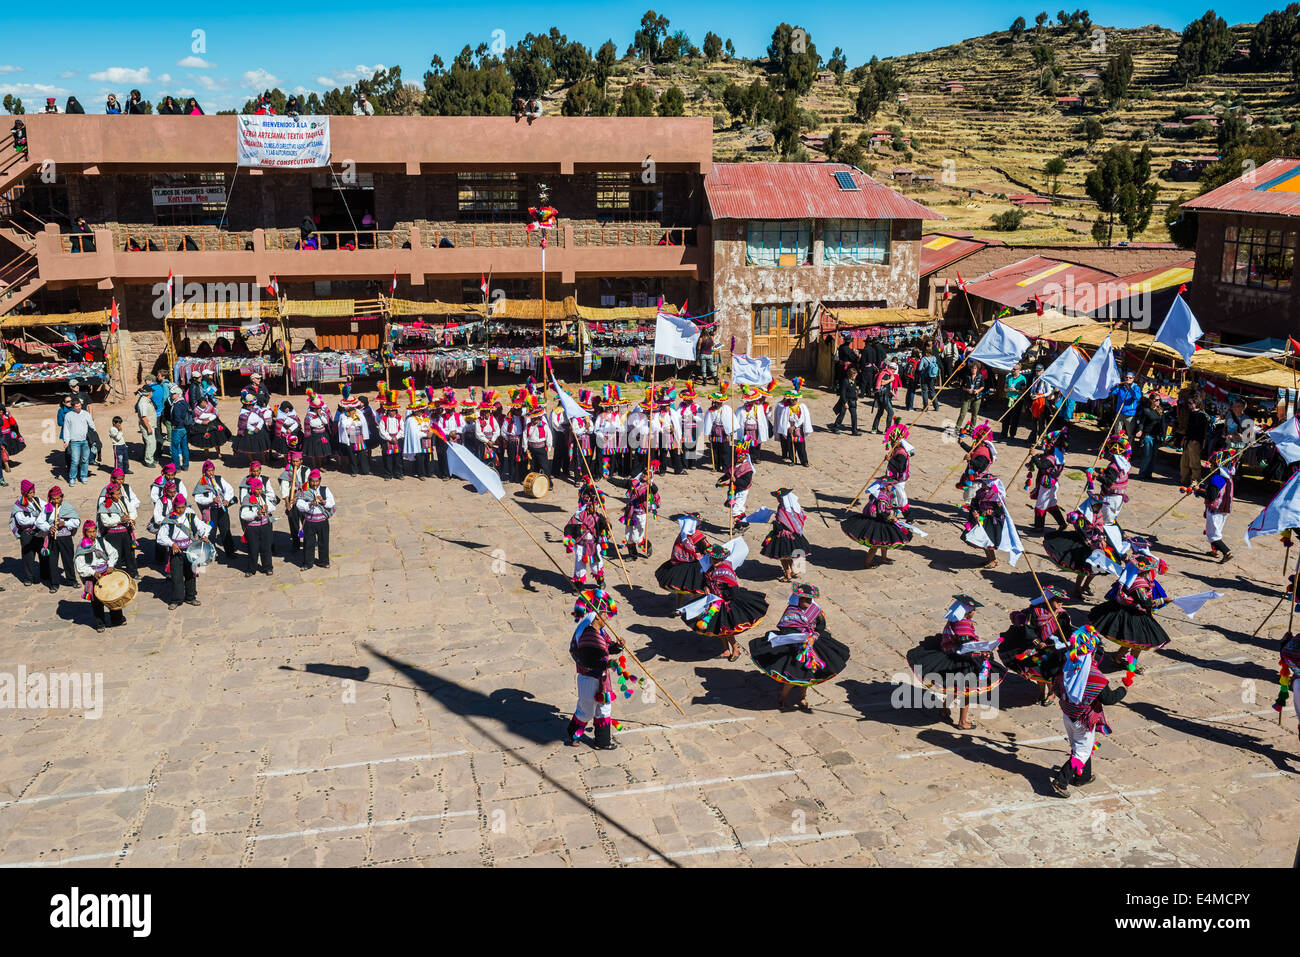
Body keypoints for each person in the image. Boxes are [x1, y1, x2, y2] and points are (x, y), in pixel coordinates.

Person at [906, 595, 1004, 730]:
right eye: (974, 609)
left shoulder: (954, 620)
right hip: (961, 661)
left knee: (953, 686)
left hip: (949, 656)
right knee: (967, 692)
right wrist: (982, 654)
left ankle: (944, 710)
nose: (975, 611)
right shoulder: (963, 625)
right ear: (968, 611)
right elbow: (966, 648)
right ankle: (962, 722)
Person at [1050, 623, 1127, 796]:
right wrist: (1124, 690)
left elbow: (1055, 686)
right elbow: (1109, 699)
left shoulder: (1067, 666)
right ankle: (1061, 781)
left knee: (1080, 747)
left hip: (1067, 714)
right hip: (1082, 720)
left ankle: (1082, 777)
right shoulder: (1094, 676)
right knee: (1082, 751)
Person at [749, 583, 851, 712]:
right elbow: (785, 629)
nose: (808, 602)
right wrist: (800, 637)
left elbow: (820, 625)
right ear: (798, 600)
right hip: (795, 649)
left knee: (809, 676)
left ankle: (802, 696)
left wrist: (814, 636)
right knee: (793, 678)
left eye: (809, 599)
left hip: (814, 646)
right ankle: (783, 697)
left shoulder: (815, 610)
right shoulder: (791, 612)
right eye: (805, 600)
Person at [679, 542, 770, 662]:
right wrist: (706, 587)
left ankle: (735, 649)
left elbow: (732, 589)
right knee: (719, 629)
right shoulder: (711, 568)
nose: (713, 560)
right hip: (714, 600)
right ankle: (726, 650)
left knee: (725, 629)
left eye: (716, 559)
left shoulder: (725, 570)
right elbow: (706, 581)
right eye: (712, 558)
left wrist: (726, 600)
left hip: (725, 602)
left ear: (721, 558)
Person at [1088, 547, 1171, 671]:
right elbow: (1146, 603)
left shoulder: (1131, 578)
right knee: (1138, 643)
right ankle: (1132, 665)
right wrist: (1163, 600)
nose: (1149, 572)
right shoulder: (1138, 584)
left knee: (1131, 641)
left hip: (1128, 612)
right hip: (1134, 615)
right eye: (1148, 570)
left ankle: (1117, 657)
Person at [564, 589, 627, 750]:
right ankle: (573, 735)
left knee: (604, 708)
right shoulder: (588, 636)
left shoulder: (601, 632)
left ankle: (602, 741)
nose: (607, 617)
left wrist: (617, 646)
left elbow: (607, 649)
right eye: (605, 614)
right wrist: (607, 665)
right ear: (597, 616)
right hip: (589, 678)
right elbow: (589, 660)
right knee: (586, 710)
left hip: (602, 679)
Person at [999, 588, 1071, 705]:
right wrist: (1037, 642)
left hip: (1053, 650)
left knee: (1050, 672)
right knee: (1038, 672)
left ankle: (1051, 693)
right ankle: (1041, 692)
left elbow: (1066, 631)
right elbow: (1029, 629)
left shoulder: (1063, 615)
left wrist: (1063, 642)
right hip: (1036, 648)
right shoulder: (1035, 612)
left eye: (1062, 601)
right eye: (1057, 600)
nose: (1060, 603)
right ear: (1048, 599)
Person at [1043, 503, 1114, 601]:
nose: (1099, 507)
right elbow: (1080, 531)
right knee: (1084, 569)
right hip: (1083, 543)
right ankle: (1077, 590)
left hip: (1097, 544)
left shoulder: (1099, 514)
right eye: (1097, 505)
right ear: (1091, 505)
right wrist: (1089, 543)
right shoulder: (1081, 516)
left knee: (1096, 568)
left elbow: (1101, 527)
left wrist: (1101, 538)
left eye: (1100, 505)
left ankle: (1086, 586)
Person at [156, 494, 210, 610]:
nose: (180, 510)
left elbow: (202, 526)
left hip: (191, 549)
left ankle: (190, 597)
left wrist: (204, 535)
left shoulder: (190, 516)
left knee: (191, 573)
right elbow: (161, 537)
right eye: (178, 507)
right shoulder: (169, 519)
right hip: (176, 551)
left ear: (185, 506)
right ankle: (176, 599)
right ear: (174, 507)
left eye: (182, 507)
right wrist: (172, 544)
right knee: (177, 576)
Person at [74, 520, 125, 632]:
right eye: (89, 532)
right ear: (84, 532)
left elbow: (113, 553)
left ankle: (117, 618)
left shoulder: (101, 542)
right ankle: (100, 623)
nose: (92, 534)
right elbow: (80, 566)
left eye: (94, 531)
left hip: (106, 572)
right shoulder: (82, 547)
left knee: (112, 595)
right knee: (96, 600)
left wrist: (110, 565)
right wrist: (93, 573)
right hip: (93, 575)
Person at [564, 480, 611, 588]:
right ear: (586, 506)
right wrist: (568, 538)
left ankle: (600, 581)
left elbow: (607, 528)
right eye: (590, 506)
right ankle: (578, 584)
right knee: (579, 566)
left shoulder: (599, 517)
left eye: (594, 506)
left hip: (594, 545)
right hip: (581, 545)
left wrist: (607, 524)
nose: (592, 508)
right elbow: (569, 527)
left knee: (596, 565)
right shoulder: (578, 516)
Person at [760, 488, 811, 582]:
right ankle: (795, 571)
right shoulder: (796, 508)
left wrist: (774, 522)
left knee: (783, 557)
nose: (778, 499)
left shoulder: (782, 508)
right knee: (790, 555)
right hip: (795, 536)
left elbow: (779, 524)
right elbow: (802, 518)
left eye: (779, 498)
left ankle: (788, 576)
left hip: (783, 537)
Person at [655, 512, 709, 599]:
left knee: (681, 590)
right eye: (699, 522)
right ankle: (692, 608)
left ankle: (678, 608)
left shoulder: (683, 534)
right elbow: (707, 549)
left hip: (679, 566)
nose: (701, 524)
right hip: (694, 567)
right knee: (697, 590)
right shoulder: (697, 536)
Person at [97, 471, 140, 578]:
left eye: (119, 493)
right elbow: (106, 521)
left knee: (129, 553)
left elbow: (132, 510)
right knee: (116, 554)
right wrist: (120, 520)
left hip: (125, 531)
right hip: (112, 534)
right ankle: (119, 575)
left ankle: (133, 573)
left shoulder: (123, 500)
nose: (119, 496)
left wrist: (131, 518)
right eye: (116, 494)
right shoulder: (104, 505)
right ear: (110, 495)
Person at [193, 460, 237, 561]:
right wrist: (211, 500)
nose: (211, 473)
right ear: (204, 472)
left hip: (222, 510)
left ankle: (230, 552)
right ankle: (211, 553)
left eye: (212, 470)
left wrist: (226, 499)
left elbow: (229, 489)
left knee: (225, 530)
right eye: (208, 471)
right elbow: (198, 498)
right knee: (211, 532)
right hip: (210, 512)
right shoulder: (201, 483)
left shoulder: (219, 479)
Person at [1026, 428, 1068, 532]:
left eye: (1049, 445)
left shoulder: (1051, 459)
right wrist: (1040, 455)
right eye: (1046, 445)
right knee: (1051, 505)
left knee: (1040, 505)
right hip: (1052, 484)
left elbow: (1041, 466)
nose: (1046, 446)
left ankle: (1039, 527)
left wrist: (1034, 456)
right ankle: (1062, 524)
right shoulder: (1057, 456)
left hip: (1047, 485)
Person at [38, 485, 79, 593]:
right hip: (52, 539)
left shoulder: (68, 507)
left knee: (68, 559)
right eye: (54, 498)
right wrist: (48, 527)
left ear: (62, 497)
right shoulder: (47, 508)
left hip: (65, 538)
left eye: (58, 498)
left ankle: (72, 580)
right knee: (52, 561)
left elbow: (76, 522)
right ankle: (54, 583)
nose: (56, 501)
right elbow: (39, 522)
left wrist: (65, 523)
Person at [961, 475, 1007, 569]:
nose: (982, 484)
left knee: (987, 541)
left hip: (992, 522)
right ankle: (990, 559)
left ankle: (993, 561)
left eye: (984, 483)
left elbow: (1001, 510)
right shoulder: (979, 492)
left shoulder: (996, 496)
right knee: (983, 540)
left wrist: (991, 512)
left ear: (989, 484)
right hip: (981, 519)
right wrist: (975, 513)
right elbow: (974, 504)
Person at [1199, 449, 1235, 563]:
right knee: (1215, 531)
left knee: (1213, 535)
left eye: (1212, 465)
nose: (1210, 467)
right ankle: (1214, 551)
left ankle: (1227, 552)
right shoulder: (1227, 477)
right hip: (1222, 509)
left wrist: (1197, 491)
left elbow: (1211, 495)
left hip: (1216, 510)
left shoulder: (1217, 478)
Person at [296, 469, 335, 570]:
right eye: (312, 481)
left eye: (317, 481)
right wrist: (310, 504)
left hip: (322, 521)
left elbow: (332, 503)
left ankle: (324, 561)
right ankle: (307, 563)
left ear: (320, 480)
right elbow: (299, 505)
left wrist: (323, 501)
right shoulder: (304, 491)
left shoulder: (325, 490)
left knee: (323, 542)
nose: (315, 483)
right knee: (308, 542)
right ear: (309, 481)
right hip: (309, 522)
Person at [239, 475, 277, 577]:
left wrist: (267, 508)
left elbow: (273, 508)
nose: (259, 491)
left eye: (260, 489)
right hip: (253, 528)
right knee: (253, 549)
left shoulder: (263, 497)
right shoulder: (247, 499)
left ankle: (268, 567)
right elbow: (244, 515)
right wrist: (257, 514)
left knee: (266, 548)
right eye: (257, 489)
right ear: (252, 489)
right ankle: (252, 569)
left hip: (265, 526)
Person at [617, 468, 659, 559]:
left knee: (636, 538)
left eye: (647, 474)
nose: (644, 475)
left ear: (650, 476)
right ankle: (633, 555)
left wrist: (649, 483)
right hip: (630, 512)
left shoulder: (650, 486)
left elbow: (655, 490)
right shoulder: (635, 483)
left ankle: (647, 545)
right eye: (644, 473)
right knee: (628, 536)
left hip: (640, 514)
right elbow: (622, 483)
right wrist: (608, 478)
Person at [10, 480, 43, 586]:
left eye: (33, 492)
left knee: (43, 553)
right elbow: (22, 521)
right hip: (27, 533)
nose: (33, 494)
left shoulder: (37, 500)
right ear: (24, 493)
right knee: (28, 555)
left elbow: (47, 508)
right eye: (30, 493)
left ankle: (45, 575)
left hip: (39, 531)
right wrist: (37, 518)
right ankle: (28, 578)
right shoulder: (19, 505)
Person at [1094, 433, 1132, 525]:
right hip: (1118, 498)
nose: (1107, 455)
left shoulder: (1113, 467)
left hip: (1111, 499)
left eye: (1108, 453)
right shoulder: (1123, 465)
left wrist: (1097, 475)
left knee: (1107, 522)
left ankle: (1106, 538)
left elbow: (1109, 482)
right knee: (1111, 519)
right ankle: (1120, 535)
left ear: (1113, 455)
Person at [278, 449, 310, 556]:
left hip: (304, 499)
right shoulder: (287, 473)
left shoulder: (307, 470)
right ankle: (296, 543)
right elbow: (284, 488)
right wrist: (287, 502)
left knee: (307, 522)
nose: (295, 463)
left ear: (301, 461)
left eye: (297, 461)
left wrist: (299, 496)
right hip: (292, 501)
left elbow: (308, 486)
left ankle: (309, 542)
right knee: (293, 523)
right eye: (293, 461)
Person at [718, 438, 755, 529]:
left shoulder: (747, 469)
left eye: (741, 456)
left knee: (735, 509)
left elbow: (746, 483)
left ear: (745, 456)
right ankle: (745, 524)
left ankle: (738, 526)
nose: (738, 457)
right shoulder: (735, 464)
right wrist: (722, 479)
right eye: (737, 455)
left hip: (742, 490)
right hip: (734, 489)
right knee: (738, 507)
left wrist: (735, 480)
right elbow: (729, 473)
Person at [957, 421, 997, 506]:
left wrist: (970, 459)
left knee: (972, 498)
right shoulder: (980, 447)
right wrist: (962, 443)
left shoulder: (984, 452)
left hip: (977, 481)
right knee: (969, 498)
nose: (976, 440)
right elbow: (972, 451)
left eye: (978, 439)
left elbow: (980, 465)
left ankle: (974, 516)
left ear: (982, 441)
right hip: (973, 478)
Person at [774, 379, 812, 467]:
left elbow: (802, 418)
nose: (792, 401)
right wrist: (788, 427)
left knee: (801, 445)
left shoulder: (801, 407)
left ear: (796, 399)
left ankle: (804, 461)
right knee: (791, 446)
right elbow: (784, 419)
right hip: (789, 430)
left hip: (798, 429)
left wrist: (795, 426)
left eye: (793, 400)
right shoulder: (786, 408)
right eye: (790, 400)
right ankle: (793, 460)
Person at [336, 385, 371, 476]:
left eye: (352, 408)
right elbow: (344, 425)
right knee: (351, 455)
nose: (351, 409)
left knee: (362, 453)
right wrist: (352, 419)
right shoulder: (343, 415)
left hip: (359, 435)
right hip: (349, 436)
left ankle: (365, 470)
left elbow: (362, 423)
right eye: (350, 408)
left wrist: (354, 423)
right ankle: (354, 471)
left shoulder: (359, 413)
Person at [61, 396, 95, 486]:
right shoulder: (69, 415)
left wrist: (94, 437)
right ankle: (72, 478)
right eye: (77, 406)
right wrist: (66, 441)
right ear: (73, 407)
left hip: (85, 441)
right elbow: (66, 429)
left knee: (85, 460)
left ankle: (83, 476)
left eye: (80, 405)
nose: (79, 407)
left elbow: (91, 424)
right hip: (74, 442)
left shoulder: (86, 414)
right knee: (75, 461)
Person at [830, 340, 861, 435]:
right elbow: (843, 393)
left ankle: (854, 430)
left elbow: (854, 389)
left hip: (853, 400)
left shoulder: (854, 381)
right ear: (851, 375)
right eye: (854, 375)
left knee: (854, 416)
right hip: (846, 400)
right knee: (842, 414)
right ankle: (836, 427)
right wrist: (844, 402)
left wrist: (856, 395)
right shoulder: (845, 381)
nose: (855, 377)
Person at [701, 386, 734, 472]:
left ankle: (726, 467)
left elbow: (729, 422)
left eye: (719, 402)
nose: (717, 404)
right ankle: (716, 466)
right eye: (716, 402)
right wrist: (709, 434)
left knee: (725, 450)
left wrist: (728, 434)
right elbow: (708, 422)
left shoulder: (727, 409)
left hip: (724, 432)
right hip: (714, 432)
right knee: (715, 450)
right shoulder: (710, 411)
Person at [1133, 392, 1164, 481]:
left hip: (1156, 436)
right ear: (1151, 400)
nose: (1158, 402)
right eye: (1156, 400)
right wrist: (1140, 430)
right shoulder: (1146, 410)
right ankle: (1141, 474)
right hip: (1147, 436)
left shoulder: (1160, 411)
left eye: (1159, 400)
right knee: (1147, 455)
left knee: (1153, 456)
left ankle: (1148, 474)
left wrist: (1163, 435)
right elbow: (1142, 423)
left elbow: (1162, 424)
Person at [375, 389, 405, 480]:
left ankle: (399, 473)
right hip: (387, 440)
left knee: (398, 458)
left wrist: (396, 437)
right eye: (390, 411)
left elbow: (402, 429)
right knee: (387, 458)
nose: (392, 412)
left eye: (394, 411)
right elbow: (382, 431)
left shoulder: (399, 418)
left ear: (396, 411)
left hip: (397, 439)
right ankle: (388, 474)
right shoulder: (383, 419)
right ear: (387, 411)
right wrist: (389, 438)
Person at [189, 392, 230, 458]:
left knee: (217, 439)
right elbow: (195, 419)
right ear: (199, 404)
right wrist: (202, 422)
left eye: (205, 402)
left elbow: (215, 413)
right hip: (202, 426)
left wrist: (209, 420)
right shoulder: (196, 410)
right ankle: (207, 455)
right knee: (205, 441)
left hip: (212, 423)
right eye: (202, 403)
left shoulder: (210, 406)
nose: (204, 404)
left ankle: (218, 453)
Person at [883, 423, 913, 513]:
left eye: (892, 442)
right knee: (895, 496)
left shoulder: (901, 453)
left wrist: (890, 460)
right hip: (894, 477)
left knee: (901, 497)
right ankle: (894, 512)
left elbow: (900, 467)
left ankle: (908, 515)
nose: (891, 444)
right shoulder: (897, 450)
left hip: (899, 478)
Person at [301, 390, 332, 473]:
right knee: (314, 453)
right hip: (314, 436)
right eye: (317, 408)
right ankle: (315, 466)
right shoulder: (309, 415)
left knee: (320, 452)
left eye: (319, 408)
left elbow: (325, 422)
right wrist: (320, 422)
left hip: (322, 434)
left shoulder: (322, 413)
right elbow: (313, 424)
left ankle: (320, 466)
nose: (319, 409)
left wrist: (320, 416)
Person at [1181, 394, 1209, 485]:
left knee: (1194, 463)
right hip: (1188, 441)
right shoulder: (1191, 414)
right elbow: (1188, 429)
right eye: (1188, 403)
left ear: (1196, 403)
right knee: (1184, 462)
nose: (1188, 405)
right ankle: (1184, 479)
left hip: (1195, 442)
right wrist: (1184, 438)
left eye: (1190, 403)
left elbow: (1204, 431)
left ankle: (1195, 480)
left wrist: (1199, 441)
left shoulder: (1202, 415)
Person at [954, 360, 986, 435]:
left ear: (977, 369)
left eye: (975, 368)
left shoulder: (980, 376)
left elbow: (983, 386)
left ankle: (972, 429)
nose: (973, 370)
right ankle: (957, 429)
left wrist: (978, 391)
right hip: (967, 397)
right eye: (972, 368)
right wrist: (967, 389)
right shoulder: (967, 376)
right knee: (962, 413)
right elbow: (962, 386)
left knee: (974, 414)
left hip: (977, 398)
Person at [1109, 372, 1143, 440]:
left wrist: (1129, 389)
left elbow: (1138, 397)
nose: (1128, 379)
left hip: (1130, 414)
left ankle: (1130, 448)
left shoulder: (1136, 388)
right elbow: (1111, 392)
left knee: (1130, 434)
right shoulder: (1121, 387)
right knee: (1117, 432)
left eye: (1130, 378)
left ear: (1133, 379)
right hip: (1119, 412)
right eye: (1127, 377)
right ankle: (1117, 448)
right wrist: (1116, 386)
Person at [871, 360, 901, 433]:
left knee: (880, 412)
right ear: (889, 367)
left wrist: (892, 393)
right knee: (891, 412)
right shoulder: (886, 374)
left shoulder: (885, 373)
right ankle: (888, 430)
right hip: (883, 397)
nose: (894, 370)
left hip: (881, 395)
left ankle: (874, 429)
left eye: (895, 369)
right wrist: (891, 379)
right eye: (893, 368)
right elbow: (882, 382)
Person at [167, 383, 192, 471]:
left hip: (178, 429)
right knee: (184, 447)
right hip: (185, 428)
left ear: (178, 394)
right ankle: (186, 466)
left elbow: (177, 417)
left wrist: (175, 425)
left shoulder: (177, 405)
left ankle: (177, 467)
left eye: (173, 394)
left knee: (174, 448)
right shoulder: (184, 402)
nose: (172, 395)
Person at [1002, 362, 1028, 442]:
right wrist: (1007, 390)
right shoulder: (1009, 377)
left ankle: (1012, 435)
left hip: (1017, 400)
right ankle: (1003, 434)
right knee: (1006, 417)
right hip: (1008, 398)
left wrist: (1016, 390)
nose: (1013, 371)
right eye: (1012, 369)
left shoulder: (1022, 379)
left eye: (1014, 369)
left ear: (1019, 370)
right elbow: (1004, 388)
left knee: (1015, 418)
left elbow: (1024, 391)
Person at [0, 403, 20, 487]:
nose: (0, 412)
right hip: (2, 436)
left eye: (1, 411)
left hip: (7, 436)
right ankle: (6, 465)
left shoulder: (6, 416)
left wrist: (10, 415)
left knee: (6, 451)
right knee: (4, 451)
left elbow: (13, 423)